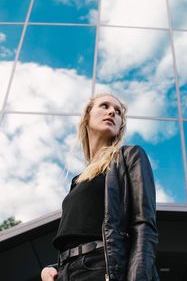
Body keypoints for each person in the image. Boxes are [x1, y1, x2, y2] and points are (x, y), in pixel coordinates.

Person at [41, 93, 159, 281]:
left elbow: (143, 225)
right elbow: (79, 235)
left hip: (101, 268)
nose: (112, 111)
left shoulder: (129, 157)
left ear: (120, 126)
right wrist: (52, 268)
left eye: (118, 112)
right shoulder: (77, 181)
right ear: (87, 115)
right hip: (66, 273)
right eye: (104, 106)